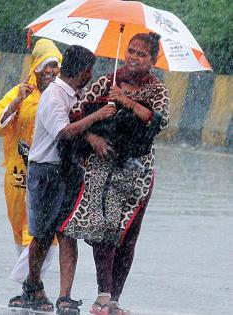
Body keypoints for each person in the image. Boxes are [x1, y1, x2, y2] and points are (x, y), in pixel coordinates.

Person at [60, 33, 170, 315]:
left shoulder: (158, 90)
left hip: (138, 170)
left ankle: (115, 299)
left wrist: (127, 101)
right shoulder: (106, 82)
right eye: (130, 51)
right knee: (103, 230)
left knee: (128, 235)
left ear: (153, 60)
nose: (133, 57)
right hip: (103, 165)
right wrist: (92, 137)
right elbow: (75, 114)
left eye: (141, 54)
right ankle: (103, 295)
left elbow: (158, 122)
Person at [23, 45, 116, 315]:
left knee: (68, 233)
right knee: (42, 235)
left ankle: (65, 296)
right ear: (85, 71)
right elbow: (64, 133)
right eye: (91, 70)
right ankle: (32, 284)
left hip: (70, 170)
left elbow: (77, 128)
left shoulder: (78, 95)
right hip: (45, 170)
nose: (91, 75)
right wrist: (96, 117)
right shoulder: (53, 96)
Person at [0, 39, 62, 305]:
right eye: (46, 66)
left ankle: (30, 282)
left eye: (56, 66)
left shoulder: (62, 96)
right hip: (18, 177)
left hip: (48, 176)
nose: (51, 72)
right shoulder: (20, 93)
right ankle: (31, 288)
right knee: (21, 232)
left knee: (43, 234)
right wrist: (16, 102)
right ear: (36, 67)